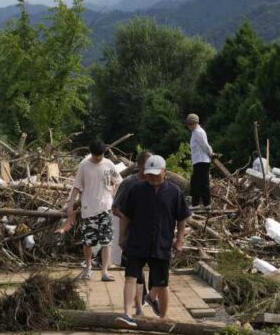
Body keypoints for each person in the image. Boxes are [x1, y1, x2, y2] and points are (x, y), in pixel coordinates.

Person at [116, 155, 191, 327]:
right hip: (137, 240)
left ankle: (163, 318)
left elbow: (182, 219)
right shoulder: (136, 190)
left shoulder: (174, 192)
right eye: (149, 174)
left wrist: (179, 240)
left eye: (156, 174)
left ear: (165, 172)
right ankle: (127, 314)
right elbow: (126, 216)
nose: (152, 177)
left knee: (161, 283)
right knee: (130, 277)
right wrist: (122, 236)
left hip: (161, 241)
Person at [59, 139, 122, 281]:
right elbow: (76, 186)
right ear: (91, 153)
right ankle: (88, 267)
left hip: (105, 207)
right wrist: (70, 206)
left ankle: (105, 271)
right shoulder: (84, 165)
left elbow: (118, 180)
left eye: (99, 156)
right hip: (88, 208)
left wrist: (113, 193)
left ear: (103, 153)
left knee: (107, 241)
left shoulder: (108, 164)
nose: (97, 158)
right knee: (88, 241)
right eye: (95, 156)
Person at [112, 151, 154, 317]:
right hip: (132, 235)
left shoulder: (156, 183)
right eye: (148, 166)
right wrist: (130, 219)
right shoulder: (129, 183)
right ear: (140, 166)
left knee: (146, 273)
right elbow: (116, 209)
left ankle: (143, 303)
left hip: (151, 236)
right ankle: (137, 308)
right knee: (135, 273)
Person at [186, 113, 214, 209]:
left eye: (190, 124)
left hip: (201, 160)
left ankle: (198, 204)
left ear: (194, 123)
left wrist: (210, 153)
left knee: (198, 182)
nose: (188, 126)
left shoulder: (198, 132)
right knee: (198, 182)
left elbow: (204, 145)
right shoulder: (195, 132)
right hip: (199, 160)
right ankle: (205, 204)